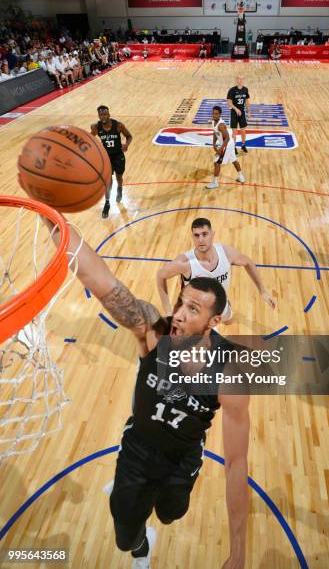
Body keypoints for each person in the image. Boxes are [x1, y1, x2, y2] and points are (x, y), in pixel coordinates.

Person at [19, 208, 251, 569]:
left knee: (172, 513)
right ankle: (143, 542)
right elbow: (102, 281)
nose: (178, 314)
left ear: (215, 321)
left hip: (183, 458)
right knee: (125, 538)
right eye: (180, 302)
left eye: (192, 309)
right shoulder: (156, 334)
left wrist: (239, 553)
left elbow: (237, 464)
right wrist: (53, 218)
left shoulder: (229, 374)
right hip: (138, 450)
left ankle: (160, 507)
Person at [157, 217, 276, 323]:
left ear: (212, 234)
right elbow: (160, 275)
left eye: (205, 234)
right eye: (196, 235)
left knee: (228, 320)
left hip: (220, 305)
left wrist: (263, 291)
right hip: (195, 314)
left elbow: (248, 262)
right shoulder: (185, 262)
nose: (201, 239)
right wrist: (168, 311)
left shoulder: (226, 253)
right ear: (192, 237)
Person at [91, 105, 133, 218]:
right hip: (106, 158)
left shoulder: (118, 125)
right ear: (99, 116)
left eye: (105, 114)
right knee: (108, 181)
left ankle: (120, 189)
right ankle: (107, 203)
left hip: (118, 155)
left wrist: (126, 145)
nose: (103, 116)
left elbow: (129, 136)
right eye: (101, 115)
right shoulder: (96, 127)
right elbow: (90, 139)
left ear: (109, 114)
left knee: (119, 177)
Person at [206, 105, 245, 190]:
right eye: (213, 113)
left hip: (227, 144)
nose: (214, 115)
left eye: (216, 114)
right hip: (229, 144)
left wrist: (220, 149)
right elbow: (215, 132)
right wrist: (213, 143)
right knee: (234, 160)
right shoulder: (213, 122)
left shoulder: (221, 125)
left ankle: (215, 182)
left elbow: (227, 138)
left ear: (220, 114)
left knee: (216, 163)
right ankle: (241, 176)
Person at [227, 76, 250, 155]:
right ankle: (234, 147)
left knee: (243, 130)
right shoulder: (232, 90)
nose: (240, 80)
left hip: (242, 112)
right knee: (234, 132)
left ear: (243, 80)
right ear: (236, 80)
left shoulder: (245, 89)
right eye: (238, 79)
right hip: (234, 113)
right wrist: (236, 109)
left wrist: (248, 110)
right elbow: (229, 102)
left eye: (241, 79)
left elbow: (246, 100)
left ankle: (243, 145)